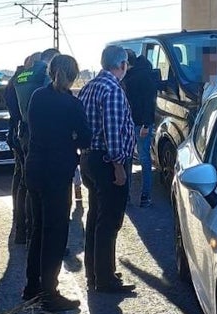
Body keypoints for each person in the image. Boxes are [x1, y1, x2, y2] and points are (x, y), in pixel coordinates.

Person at [22, 54, 92, 311]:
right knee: (55, 234)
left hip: (35, 168)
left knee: (38, 229)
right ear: (73, 76)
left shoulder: (37, 97)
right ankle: (50, 293)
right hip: (57, 173)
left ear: (51, 72)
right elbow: (85, 138)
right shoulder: (71, 104)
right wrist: (71, 139)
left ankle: (31, 287)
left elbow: (33, 128)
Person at [78, 45, 136, 293]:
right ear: (122, 64)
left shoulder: (88, 87)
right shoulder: (112, 90)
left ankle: (95, 273)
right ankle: (105, 278)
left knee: (95, 218)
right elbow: (112, 131)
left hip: (89, 159)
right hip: (108, 162)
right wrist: (119, 167)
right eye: (126, 65)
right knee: (109, 221)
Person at [13, 48, 60, 247]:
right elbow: (50, 101)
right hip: (40, 134)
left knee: (25, 183)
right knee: (45, 187)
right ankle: (37, 233)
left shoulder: (20, 75)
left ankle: (22, 232)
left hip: (22, 130)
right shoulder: (44, 75)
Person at [4, 54, 35, 245]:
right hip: (23, 134)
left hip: (15, 133)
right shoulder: (28, 83)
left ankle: (19, 224)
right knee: (26, 183)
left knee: (20, 179)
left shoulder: (15, 80)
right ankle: (25, 227)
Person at [122, 49, 158, 208]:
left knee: (143, 159)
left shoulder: (142, 76)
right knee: (130, 159)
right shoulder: (133, 74)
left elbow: (149, 101)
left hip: (140, 124)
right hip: (129, 123)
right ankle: (127, 195)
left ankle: (145, 195)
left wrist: (146, 124)